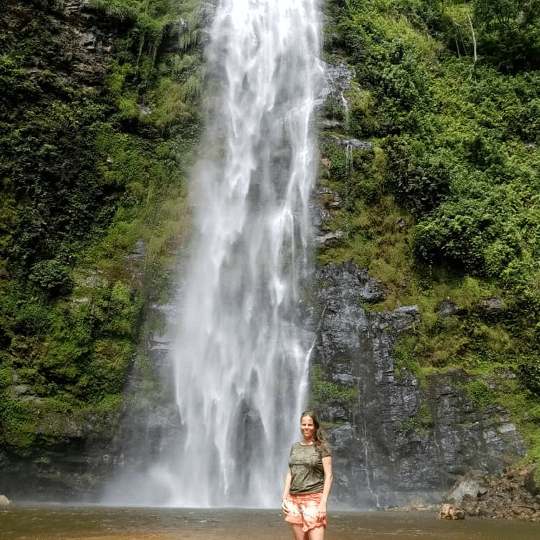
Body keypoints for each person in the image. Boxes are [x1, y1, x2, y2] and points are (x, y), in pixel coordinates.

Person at [282, 410, 333, 540]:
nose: (306, 428)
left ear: (315, 426)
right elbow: (291, 472)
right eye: (303, 424)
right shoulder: (295, 447)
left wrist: (323, 503)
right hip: (294, 500)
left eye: (309, 425)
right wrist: (285, 496)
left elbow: (329, 476)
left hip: (314, 500)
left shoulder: (321, 447)